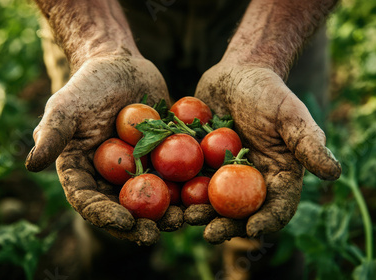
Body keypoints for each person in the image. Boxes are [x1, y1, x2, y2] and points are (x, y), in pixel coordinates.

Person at [27, 0, 341, 264]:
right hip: (103, 11)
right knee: (109, 220)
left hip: (275, 13)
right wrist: (99, 48)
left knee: (266, 216)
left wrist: (262, 58)